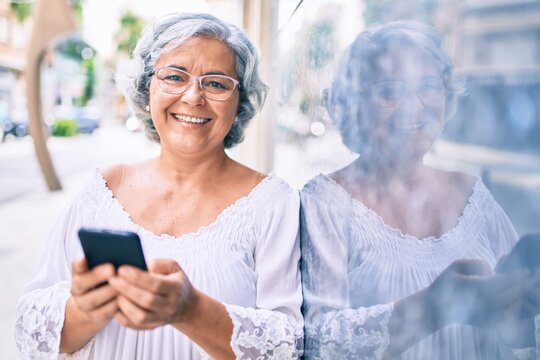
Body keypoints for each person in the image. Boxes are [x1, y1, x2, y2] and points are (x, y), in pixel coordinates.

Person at [15, 12, 303, 359]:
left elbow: (287, 347)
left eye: (216, 83)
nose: (193, 97)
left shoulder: (272, 203)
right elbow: (31, 330)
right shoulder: (100, 190)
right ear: (147, 89)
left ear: (239, 100)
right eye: (174, 77)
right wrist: (87, 309)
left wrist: (191, 310)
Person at [300, 20, 540, 359]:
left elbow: (521, 334)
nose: (415, 106)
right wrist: (432, 306)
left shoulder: (475, 194)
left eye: (428, 86)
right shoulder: (324, 204)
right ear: (352, 104)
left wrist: (516, 311)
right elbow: (317, 344)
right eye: (389, 91)